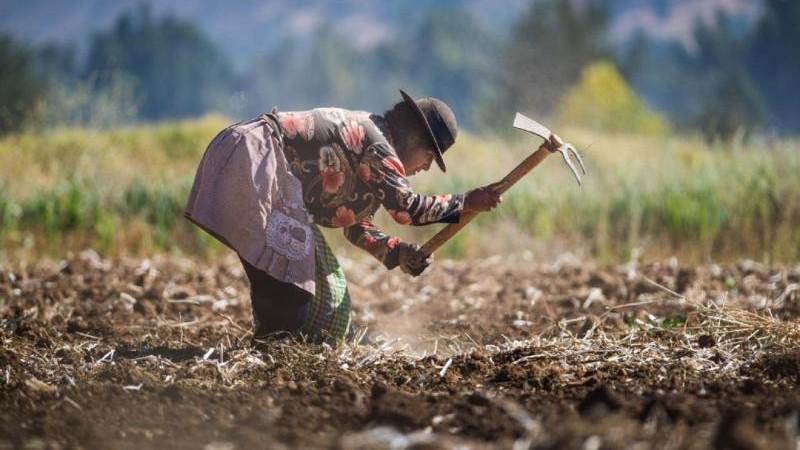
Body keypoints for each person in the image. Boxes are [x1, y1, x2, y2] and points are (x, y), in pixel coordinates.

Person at [184, 90, 502, 342]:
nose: (426, 167)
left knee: (315, 289)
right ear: (413, 139)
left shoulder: (371, 147)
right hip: (255, 161)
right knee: (289, 284)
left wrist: (399, 252)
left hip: (252, 160)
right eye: (430, 156)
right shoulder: (379, 146)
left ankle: (279, 351)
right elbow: (409, 210)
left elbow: (355, 225)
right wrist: (467, 201)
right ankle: (273, 357)